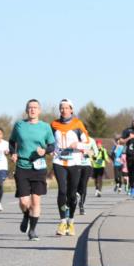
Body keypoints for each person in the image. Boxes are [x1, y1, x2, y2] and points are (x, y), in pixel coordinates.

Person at [8, 99, 55, 240]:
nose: (32, 110)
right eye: (30, 108)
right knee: (24, 202)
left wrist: (45, 150)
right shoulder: (19, 125)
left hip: (38, 167)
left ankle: (32, 230)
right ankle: (26, 215)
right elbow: (11, 142)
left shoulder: (45, 127)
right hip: (22, 166)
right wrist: (13, 153)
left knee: (35, 201)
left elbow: (52, 146)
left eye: (35, 108)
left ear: (39, 111)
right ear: (26, 110)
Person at [51, 99, 91, 236]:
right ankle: (62, 221)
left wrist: (78, 145)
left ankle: (71, 222)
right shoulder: (54, 124)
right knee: (62, 191)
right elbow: (49, 142)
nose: (64, 110)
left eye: (66, 108)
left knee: (72, 194)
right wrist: (48, 149)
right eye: (61, 108)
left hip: (75, 162)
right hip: (58, 161)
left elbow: (87, 144)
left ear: (71, 110)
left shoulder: (78, 124)